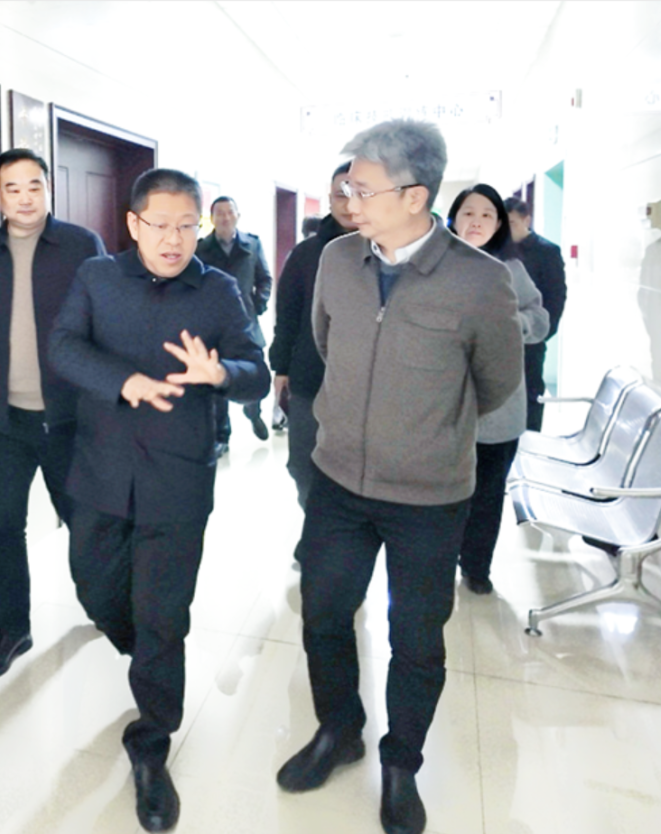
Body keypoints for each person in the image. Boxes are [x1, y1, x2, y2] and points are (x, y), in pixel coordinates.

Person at [277, 120, 522, 834]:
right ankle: (339, 730)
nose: (348, 199)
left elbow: (497, 381)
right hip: (338, 481)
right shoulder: (337, 259)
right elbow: (326, 342)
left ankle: (402, 763)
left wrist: (426, 428)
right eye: (347, 185)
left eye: (363, 188)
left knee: (415, 639)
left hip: (428, 495)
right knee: (324, 614)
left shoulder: (481, 280)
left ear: (415, 196)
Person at [49, 169, 269, 832]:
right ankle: (140, 646)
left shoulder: (218, 289)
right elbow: (63, 347)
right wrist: (124, 382)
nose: (174, 240)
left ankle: (151, 741)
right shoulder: (97, 277)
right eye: (160, 225)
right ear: (133, 224)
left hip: (178, 479)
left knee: (164, 614)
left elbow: (257, 373)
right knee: (96, 588)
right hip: (101, 473)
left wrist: (220, 373)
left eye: (186, 226)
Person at [0, 148, 106, 678]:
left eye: (34, 186)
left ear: (48, 188)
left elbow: (105, 327)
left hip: (68, 418)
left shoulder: (82, 246)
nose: (24, 198)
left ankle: (106, 606)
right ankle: (12, 628)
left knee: (86, 523)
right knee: (3, 526)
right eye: (12, 188)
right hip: (6, 419)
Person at [450, 186, 549, 594]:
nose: (476, 221)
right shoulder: (432, 266)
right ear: (453, 219)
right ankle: (441, 557)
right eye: (468, 212)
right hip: (442, 407)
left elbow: (539, 318)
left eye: (487, 215)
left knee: (488, 493)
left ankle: (476, 566)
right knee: (443, 493)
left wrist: (513, 326)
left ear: (498, 225)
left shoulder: (510, 268)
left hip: (497, 409)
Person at [269, 161, 358, 508]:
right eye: (341, 194)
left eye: (359, 193)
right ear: (329, 198)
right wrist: (281, 368)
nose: (349, 203)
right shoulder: (306, 254)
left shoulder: (389, 252)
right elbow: (288, 314)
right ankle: (316, 525)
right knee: (303, 464)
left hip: (368, 386)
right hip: (311, 377)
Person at [194, 195, 273, 453]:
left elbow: (265, 278)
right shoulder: (201, 249)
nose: (225, 218)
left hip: (246, 321)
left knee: (252, 370)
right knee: (217, 378)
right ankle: (222, 436)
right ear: (212, 218)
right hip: (214, 325)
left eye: (230, 212)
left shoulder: (253, 244)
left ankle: (253, 412)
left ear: (238, 216)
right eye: (219, 213)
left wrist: (258, 304)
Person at [503, 197, 567, 431]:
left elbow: (555, 298)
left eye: (511, 223)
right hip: (501, 339)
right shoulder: (498, 251)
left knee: (531, 392)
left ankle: (530, 439)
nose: (506, 229)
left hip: (531, 340)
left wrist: (540, 334)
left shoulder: (546, 251)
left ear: (526, 220)